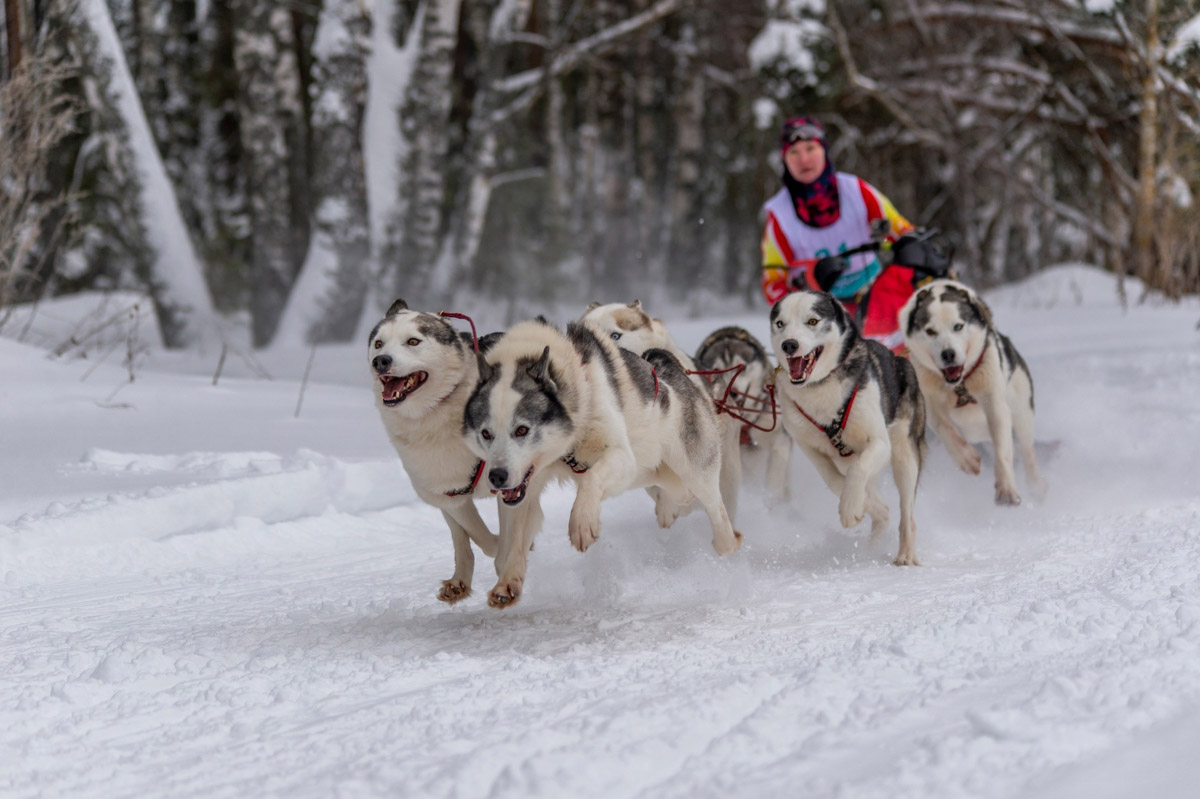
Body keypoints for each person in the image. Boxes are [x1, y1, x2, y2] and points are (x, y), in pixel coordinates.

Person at [761, 115, 937, 352]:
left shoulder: (857, 191)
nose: (804, 159)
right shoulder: (778, 216)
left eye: (810, 148)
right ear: (785, 159)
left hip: (875, 299)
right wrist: (808, 281)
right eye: (794, 152)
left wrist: (910, 246)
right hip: (822, 318)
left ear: (824, 150)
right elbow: (773, 286)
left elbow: (902, 231)